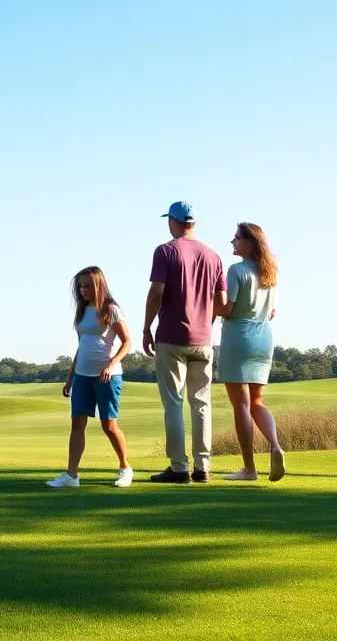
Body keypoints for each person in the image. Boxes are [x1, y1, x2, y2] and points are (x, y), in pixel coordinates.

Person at [142, 201, 226, 484]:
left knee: (174, 403)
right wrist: (206, 324)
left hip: (171, 336)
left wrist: (146, 328)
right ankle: (203, 467)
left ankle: (179, 468)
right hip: (204, 340)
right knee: (201, 403)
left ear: (173, 222)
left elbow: (156, 292)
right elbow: (221, 302)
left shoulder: (166, 250)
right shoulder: (214, 256)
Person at [47, 266, 134, 488]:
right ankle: (72, 475)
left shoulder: (112, 310)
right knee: (77, 424)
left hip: (107, 377)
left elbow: (126, 342)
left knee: (109, 426)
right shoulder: (82, 312)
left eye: (87, 286)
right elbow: (82, 346)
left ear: (98, 285)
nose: (83, 291)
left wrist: (111, 364)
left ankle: (125, 468)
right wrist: (70, 377)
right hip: (82, 376)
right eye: (80, 287)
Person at [216, 222, 286, 481]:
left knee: (241, 406)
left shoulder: (235, 270)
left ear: (250, 243)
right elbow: (272, 312)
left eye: (236, 238)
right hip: (263, 338)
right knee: (256, 401)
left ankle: (249, 469)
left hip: (238, 337)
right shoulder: (270, 273)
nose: (232, 242)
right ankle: (275, 445)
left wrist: (214, 297)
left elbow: (226, 310)